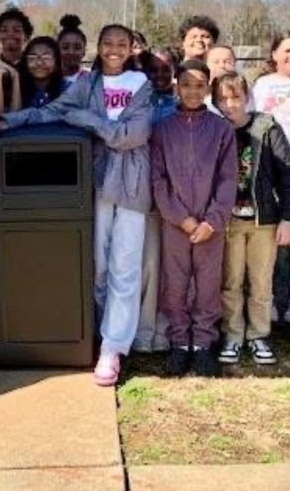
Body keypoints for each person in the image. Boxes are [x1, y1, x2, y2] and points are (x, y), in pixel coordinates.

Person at [0, 24, 153, 386]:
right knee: (96, 266)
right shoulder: (88, 84)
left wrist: (87, 119)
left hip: (130, 184)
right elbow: (51, 111)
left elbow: (131, 135)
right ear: (97, 47)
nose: (113, 49)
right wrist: (9, 120)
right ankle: (99, 332)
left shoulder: (141, 85)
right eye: (107, 43)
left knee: (125, 267)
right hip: (95, 182)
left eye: (121, 43)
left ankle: (113, 348)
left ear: (131, 48)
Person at [151, 60, 236, 377]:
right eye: (186, 84)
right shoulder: (162, 128)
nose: (192, 91)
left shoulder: (221, 129)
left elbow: (228, 179)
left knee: (207, 284)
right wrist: (181, 218)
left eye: (199, 85)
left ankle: (202, 344)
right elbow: (158, 180)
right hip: (176, 223)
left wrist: (212, 220)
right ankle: (179, 343)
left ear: (208, 88)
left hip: (210, 224)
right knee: (174, 283)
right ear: (176, 85)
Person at [212, 72, 290, 366]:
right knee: (231, 280)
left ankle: (259, 335)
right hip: (228, 221)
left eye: (235, 97)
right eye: (222, 98)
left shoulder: (266, 126)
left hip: (264, 220)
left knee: (261, 281)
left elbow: (288, 173)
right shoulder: (214, 129)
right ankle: (233, 334)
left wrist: (289, 218)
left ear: (247, 97)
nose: (229, 104)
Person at [250, 29, 290, 325]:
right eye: (286, 50)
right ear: (274, 54)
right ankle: (271, 298)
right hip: (269, 167)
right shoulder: (262, 85)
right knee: (273, 237)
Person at [132, 47, 178, 354]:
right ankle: (144, 330)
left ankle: (169, 329)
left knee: (173, 269)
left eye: (166, 69)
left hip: (179, 200)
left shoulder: (181, 104)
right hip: (145, 197)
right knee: (148, 265)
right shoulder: (138, 105)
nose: (159, 75)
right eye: (153, 70)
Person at [18, 36, 64, 108]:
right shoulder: (17, 89)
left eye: (46, 58)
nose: (39, 63)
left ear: (57, 61)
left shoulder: (69, 90)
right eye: (32, 58)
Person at [57, 13, 89, 89]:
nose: (71, 52)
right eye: (65, 47)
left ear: (84, 51)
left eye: (77, 48)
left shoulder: (92, 82)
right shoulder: (47, 81)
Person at [205, 45, 237, 113]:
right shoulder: (199, 93)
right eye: (216, 62)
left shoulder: (244, 93)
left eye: (227, 62)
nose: (222, 66)